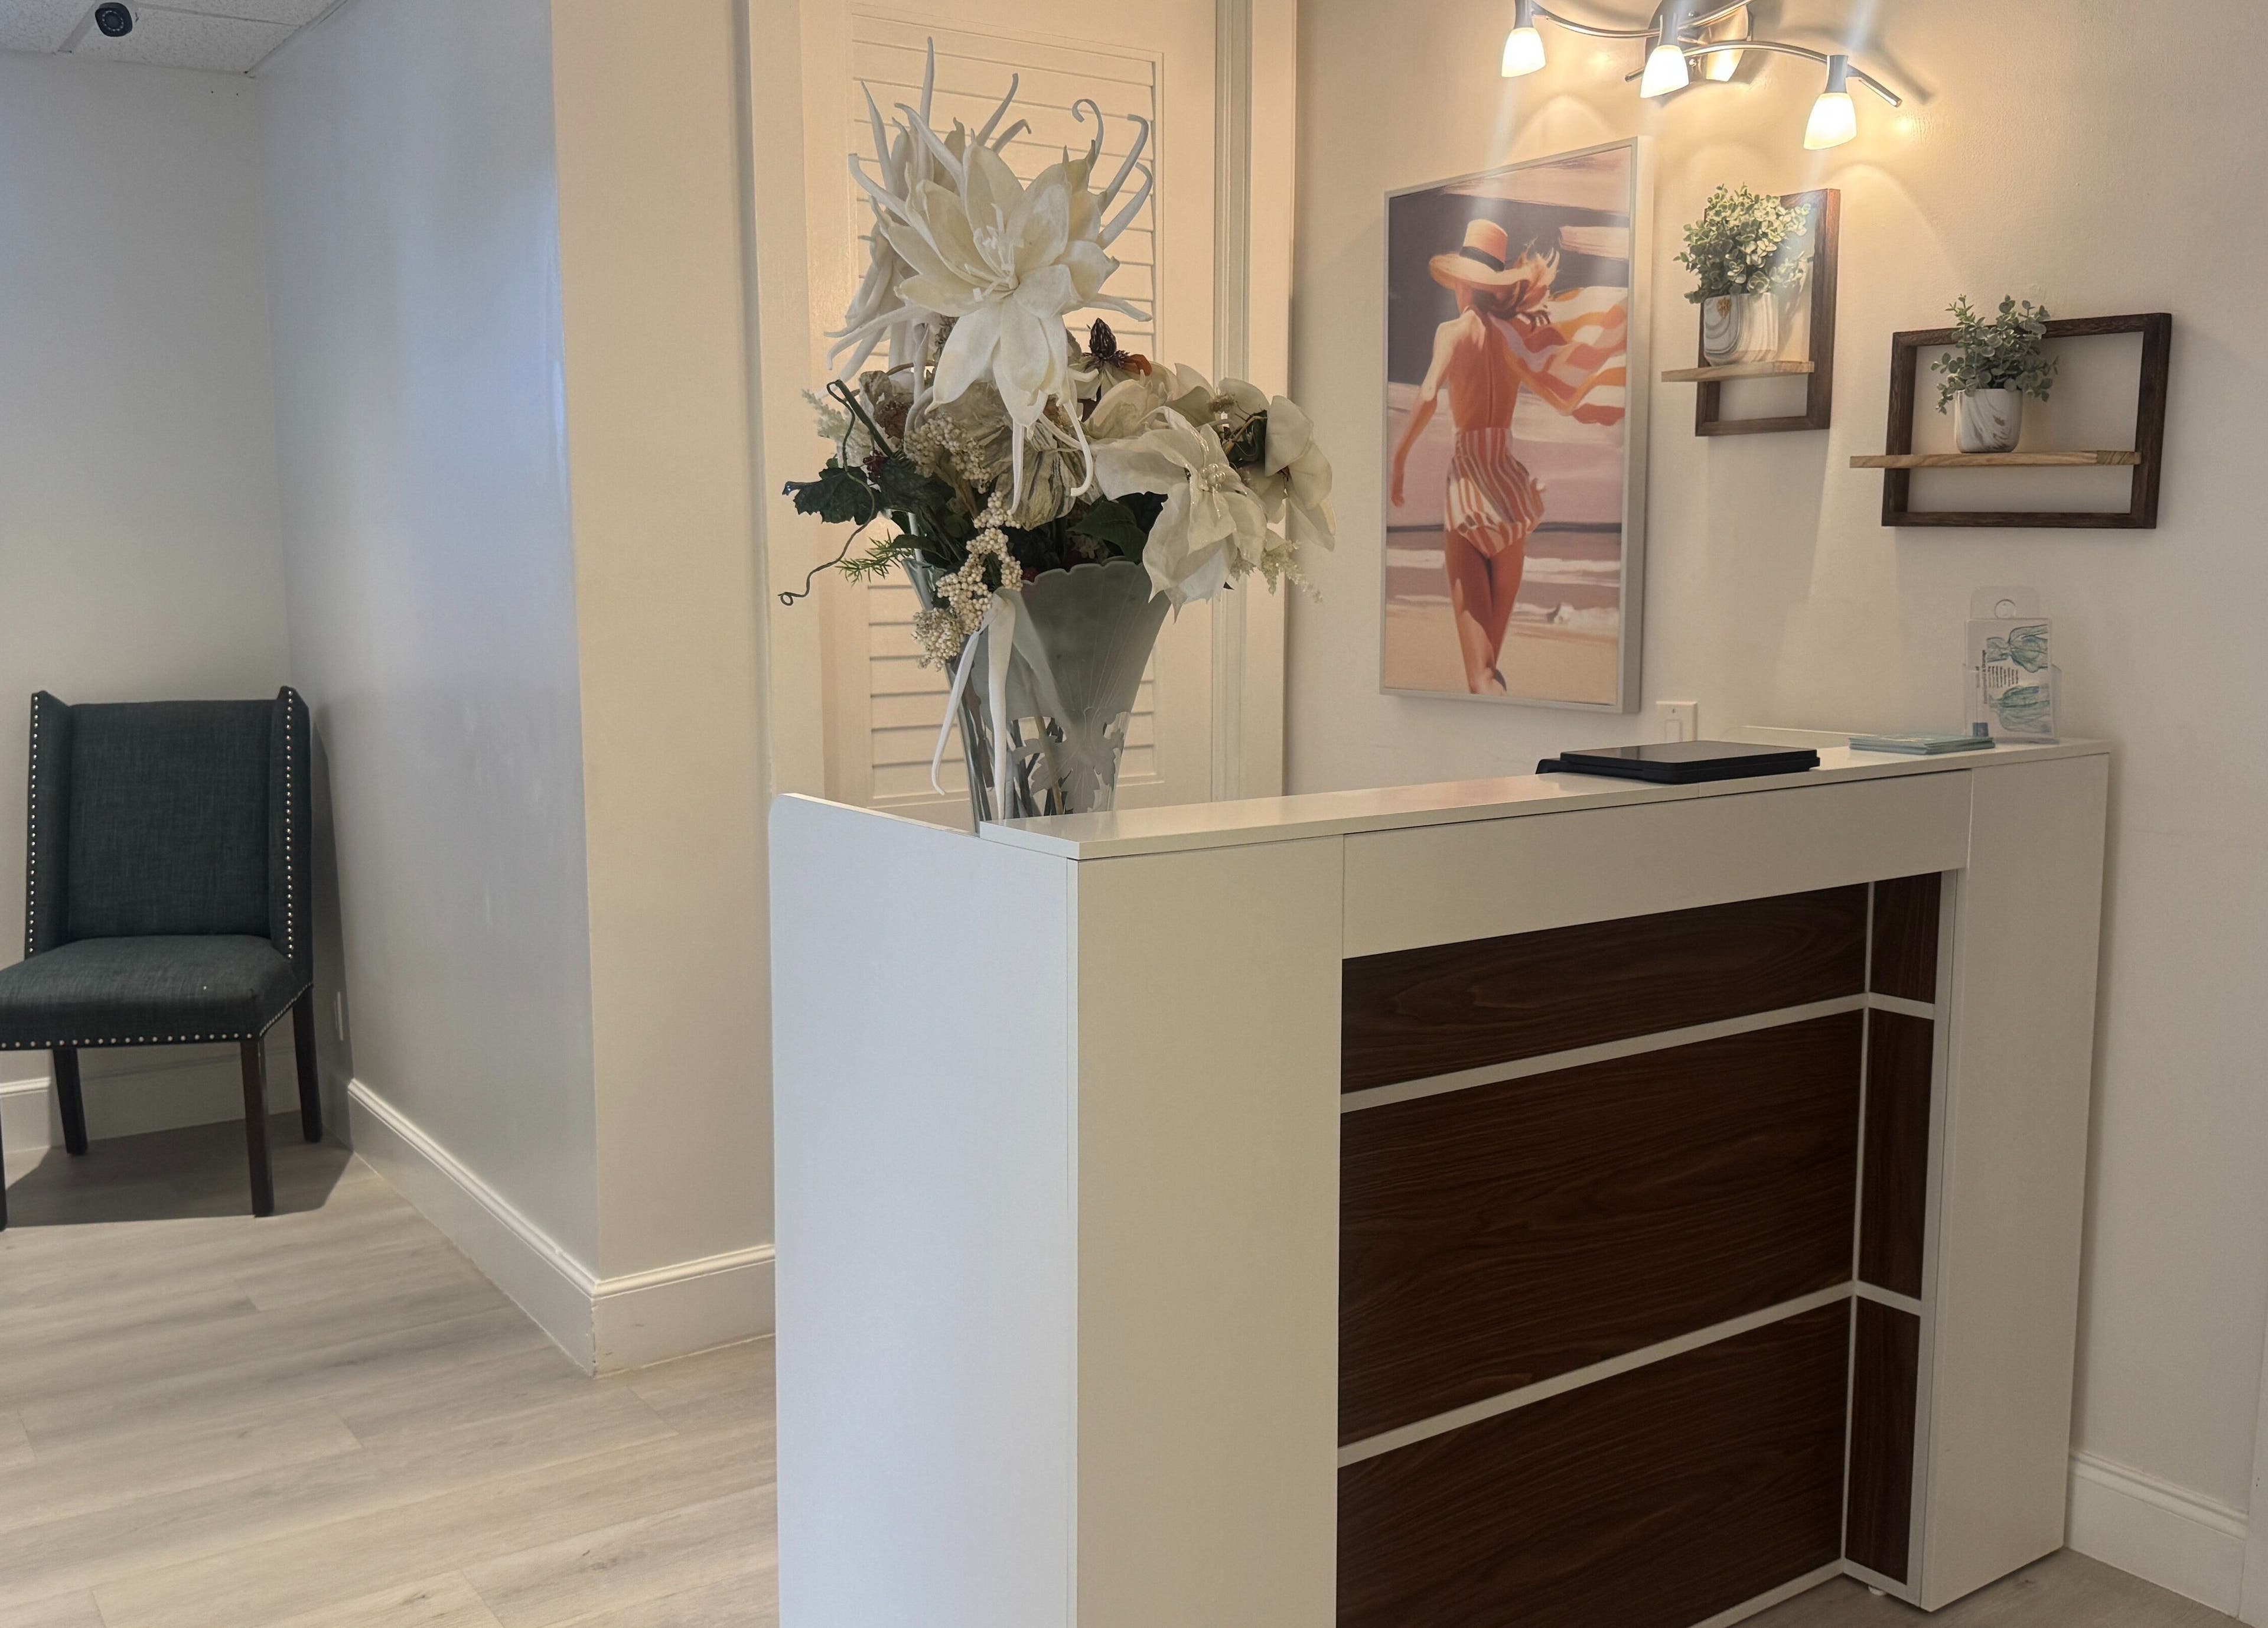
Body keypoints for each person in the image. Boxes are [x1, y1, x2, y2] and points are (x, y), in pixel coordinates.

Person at [1390, 218, 1624, 694]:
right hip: (1512, 496)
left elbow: (1431, 391)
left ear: (1461, 281)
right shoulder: (1516, 339)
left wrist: (1400, 458)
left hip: (1469, 492)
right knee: (1490, 672)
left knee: (1479, 678)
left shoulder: (1453, 333)